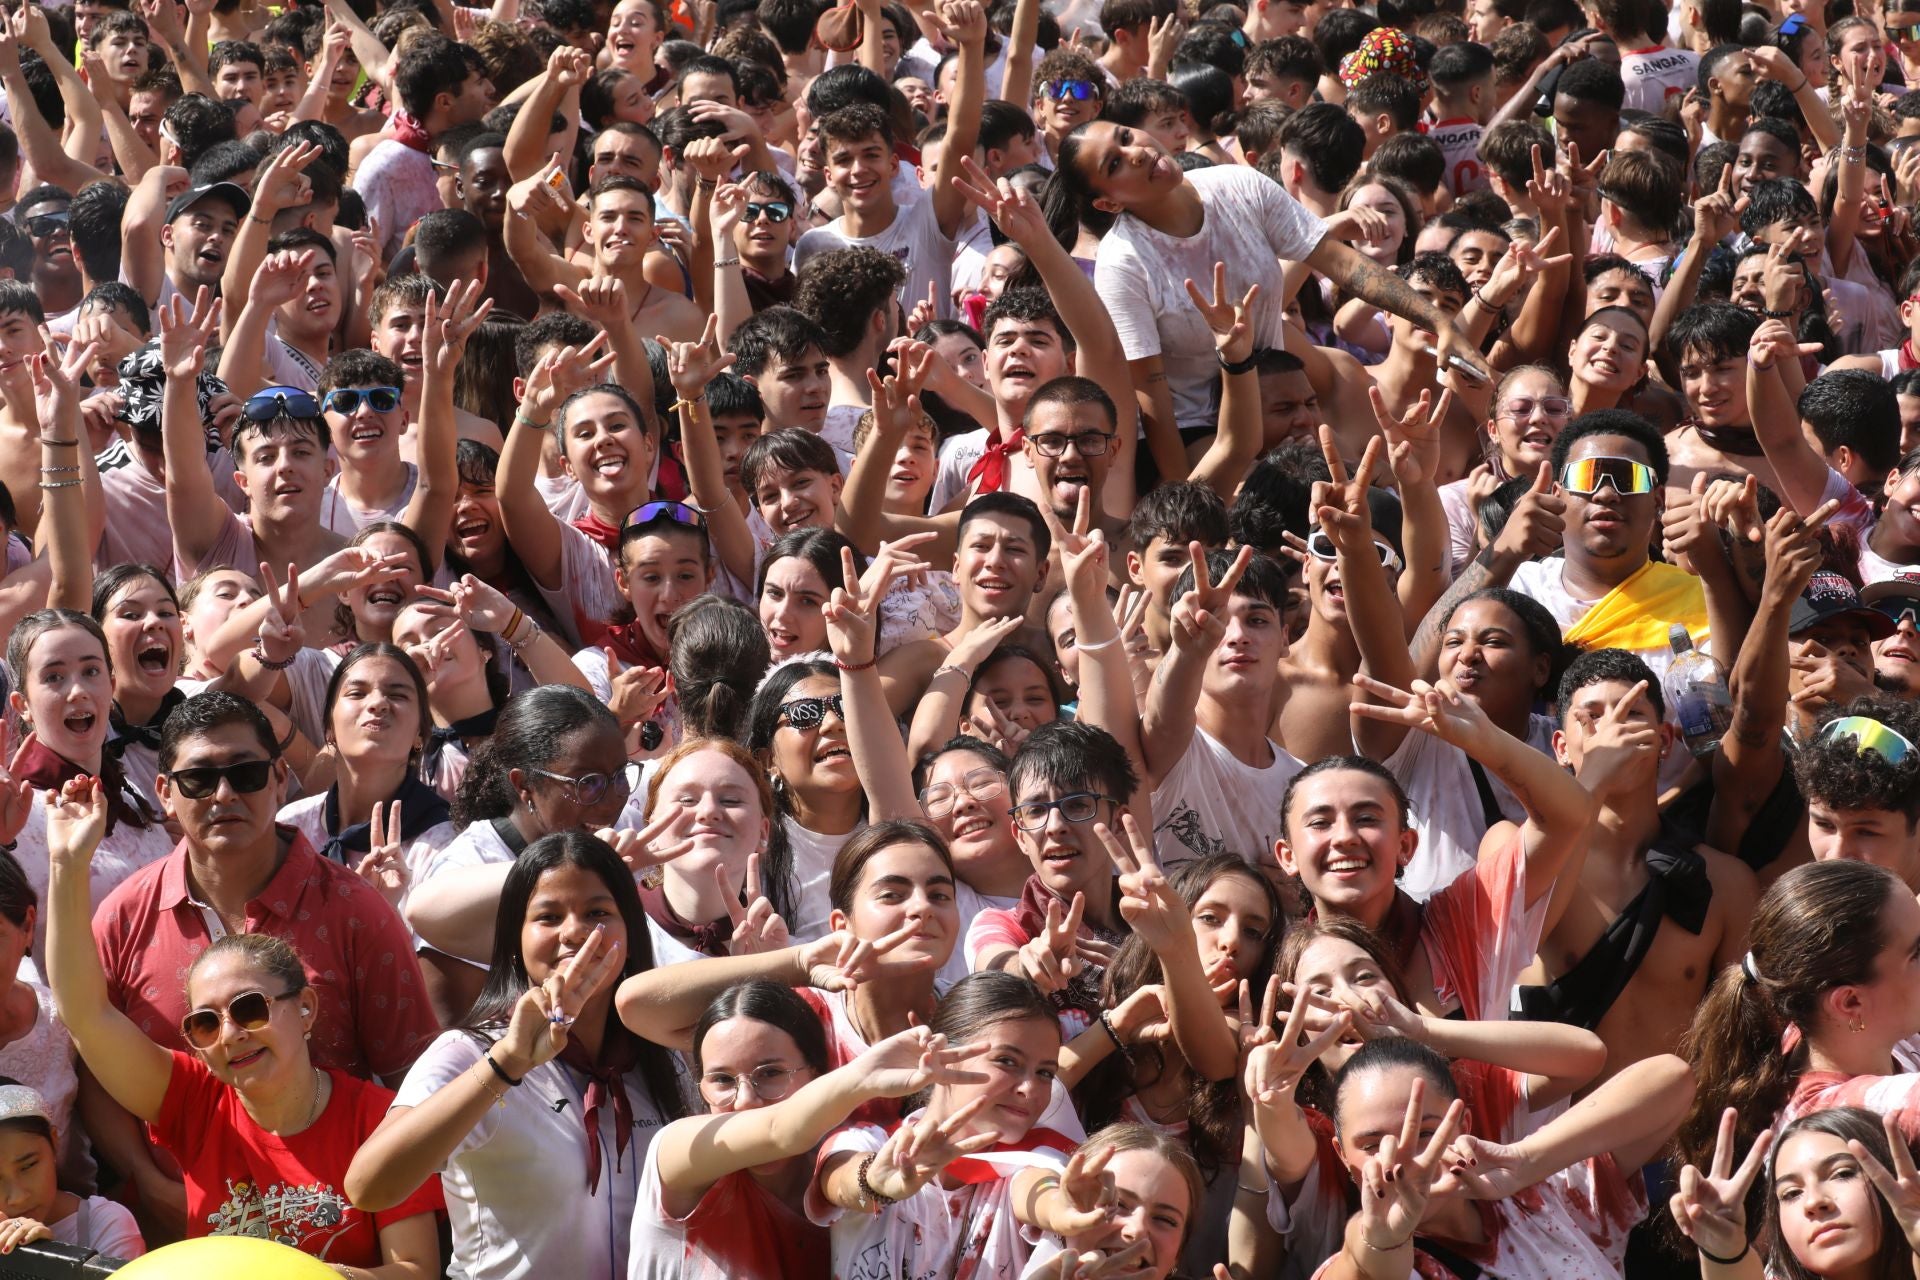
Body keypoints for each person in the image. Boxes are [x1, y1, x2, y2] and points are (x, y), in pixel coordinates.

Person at [48, 775, 441, 1267]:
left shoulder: (380, 1120)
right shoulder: (193, 1103)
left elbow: (416, 1271)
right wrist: (67, 862)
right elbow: (85, 1015)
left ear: (305, 1009)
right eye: (205, 1025)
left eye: (250, 1008)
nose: (231, 1034)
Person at [346, 832, 690, 1280]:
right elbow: (369, 1186)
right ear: (515, 939)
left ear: (632, 931)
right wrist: (506, 1064)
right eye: (548, 916)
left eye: (598, 913)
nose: (574, 932)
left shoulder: (667, 1059)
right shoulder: (468, 1053)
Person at [628, 981, 981, 1279]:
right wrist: (862, 1077)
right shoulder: (675, 1152)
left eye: (770, 1073)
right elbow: (781, 1131)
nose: (745, 1100)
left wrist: (875, 1185)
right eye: (721, 1080)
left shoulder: (838, 1160)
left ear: (816, 1076)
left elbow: (852, 1178)